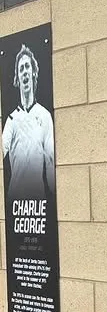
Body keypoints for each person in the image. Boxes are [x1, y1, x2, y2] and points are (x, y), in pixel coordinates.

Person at [2, 44, 54, 199]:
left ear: (33, 72)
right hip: (15, 203)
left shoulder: (44, 116)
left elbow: (50, 162)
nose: (24, 71)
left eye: (27, 67)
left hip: (37, 203)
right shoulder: (11, 120)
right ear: (18, 78)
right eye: (21, 69)